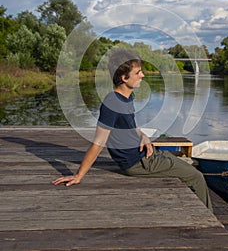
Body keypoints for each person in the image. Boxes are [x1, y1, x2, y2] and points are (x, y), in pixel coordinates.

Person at [52, 48, 212, 211]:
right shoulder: (112, 104)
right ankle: (209, 221)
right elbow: (98, 143)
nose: (143, 76)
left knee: (185, 167)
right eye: (138, 72)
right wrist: (79, 175)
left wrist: (142, 136)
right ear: (124, 77)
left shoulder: (127, 97)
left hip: (145, 155)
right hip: (138, 163)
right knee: (196, 177)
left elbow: (130, 125)